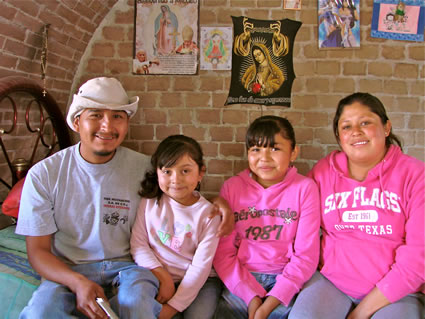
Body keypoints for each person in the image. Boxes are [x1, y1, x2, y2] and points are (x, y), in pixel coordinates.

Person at [15, 77, 233, 319]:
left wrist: (219, 202)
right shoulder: (45, 175)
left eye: (117, 116)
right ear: (77, 122)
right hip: (69, 270)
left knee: (137, 304)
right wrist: (77, 282)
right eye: (96, 115)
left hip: (129, 269)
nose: (107, 126)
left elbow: (182, 193)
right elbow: (38, 252)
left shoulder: (144, 168)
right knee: (40, 313)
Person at [289, 93, 425, 319]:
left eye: (365, 123)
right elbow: (287, 205)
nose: (356, 132)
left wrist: (361, 312)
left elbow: (419, 254)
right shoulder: (323, 172)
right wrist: (222, 204)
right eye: (346, 126)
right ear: (338, 136)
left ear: (386, 127)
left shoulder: (415, 175)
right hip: (331, 282)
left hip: (396, 292)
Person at [213, 116, 320, 319]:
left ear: (294, 152)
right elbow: (222, 252)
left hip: (286, 279)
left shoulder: (305, 189)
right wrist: (251, 297)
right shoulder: (232, 188)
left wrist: (270, 303)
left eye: (275, 148)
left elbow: (306, 255)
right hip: (241, 279)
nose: (264, 157)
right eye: (256, 149)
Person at [130, 135, 221, 319]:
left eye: (185, 171)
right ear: (157, 171)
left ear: (201, 172)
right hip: (156, 273)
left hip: (201, 281)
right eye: (167, 171)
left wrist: (172, 308)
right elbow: (138, 244)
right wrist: (162, 275)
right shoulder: (149, 202)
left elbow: (200, 268)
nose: (176, 179)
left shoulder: (209, 214)